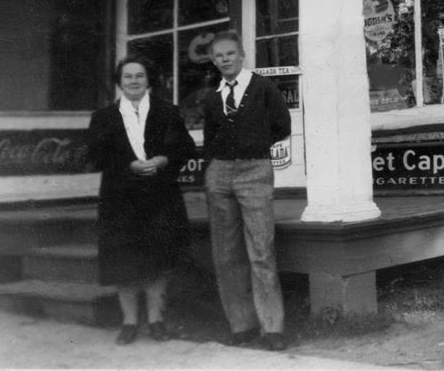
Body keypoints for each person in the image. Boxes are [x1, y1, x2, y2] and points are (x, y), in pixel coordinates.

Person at [86, 56, 195, 345]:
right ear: (119, 82)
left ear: (148, 80)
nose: (134, 81)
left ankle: (157, 320)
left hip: (159, 198)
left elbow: (185, 147)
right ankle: (129, 322)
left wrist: (163, 159)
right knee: (124, 262)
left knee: (158, 260)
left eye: (139, 75)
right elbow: (94, 156)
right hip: (120, 200)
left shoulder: (166, 112)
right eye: (128, 76)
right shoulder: (104, 117)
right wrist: (127, 165)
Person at [203, 30, 291, 351]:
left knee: (261, 248)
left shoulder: (263, 88)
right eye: (218, 56)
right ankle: (242, 325)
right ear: (213, 61)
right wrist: (212, 169)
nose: (225, 59)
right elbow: (211, 135)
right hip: (220, 173)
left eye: (230, 53)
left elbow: (282, 125)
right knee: (226, 252)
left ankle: (273, 327)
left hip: (255, 171)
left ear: (241, 54)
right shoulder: (213, 96)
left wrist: (254, 146)